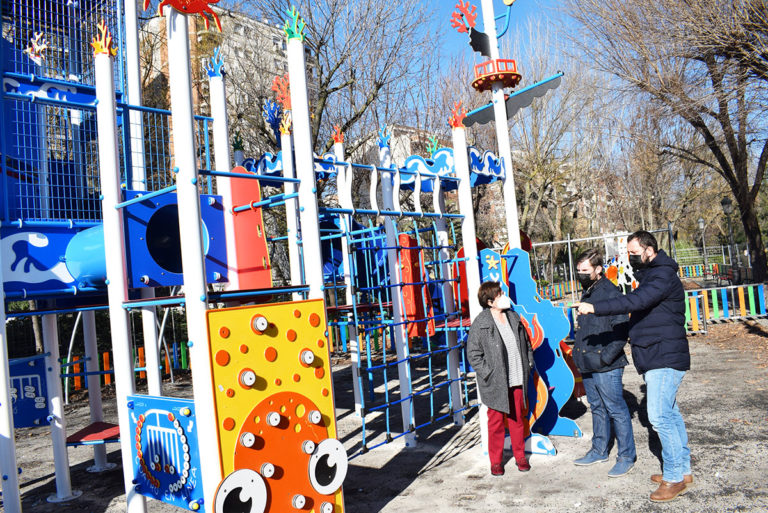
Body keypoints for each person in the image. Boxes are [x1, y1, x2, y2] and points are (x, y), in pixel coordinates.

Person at [577, 231, 692, 502]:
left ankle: (674, 477)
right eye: (628, 252)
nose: (630, 257)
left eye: (633, 252)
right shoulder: (652, 274)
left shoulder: (662, 275)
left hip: (664, 354)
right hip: (656, 353)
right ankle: (683, 469)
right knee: (670, 414)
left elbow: (634, 301)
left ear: (649, 250)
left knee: (660, 417)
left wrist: (595, 308)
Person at [571, 249, 636, 477]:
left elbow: (622, 329)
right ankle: (599, 450)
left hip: (606, 364)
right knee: (597, 408)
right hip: (587, 361)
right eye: (578, 270)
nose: (580, 274)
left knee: (616, 409)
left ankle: (626, 456)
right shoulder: (588, 291)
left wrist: (605, 357)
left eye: (585, 270)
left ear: (598, 269)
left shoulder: (610, 292)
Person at [467, 281, 534, 476]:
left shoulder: (513, 316)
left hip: (517, 376)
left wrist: (529, 362)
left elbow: (527, 343)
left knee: (517, 419)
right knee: (495, 422)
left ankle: (520, 457)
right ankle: (496, 461)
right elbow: (473, 354)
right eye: (500, 294)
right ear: (490, 302)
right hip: (495, 382)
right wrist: (488, 373)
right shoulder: (481, 322)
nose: (504, 296)